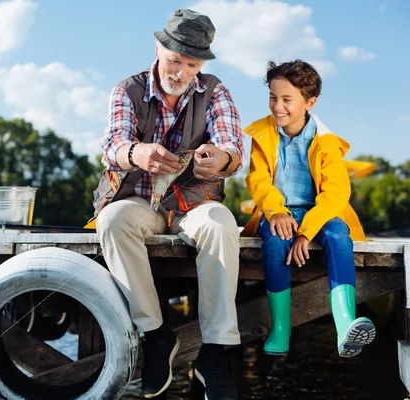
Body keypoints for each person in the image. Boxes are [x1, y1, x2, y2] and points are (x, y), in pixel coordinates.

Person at [91, 9, 245, 399]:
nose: (181, 72)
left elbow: (233, 149)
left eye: (191, 64)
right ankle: (156, 335)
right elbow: (111, 148)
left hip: (193, 205)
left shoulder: (215, 91)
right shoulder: (126, 90)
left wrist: (219, 160)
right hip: (138, 201)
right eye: (176, 60)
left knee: (221, 223)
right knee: (111, 220)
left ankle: (216, 351)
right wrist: (135, 153)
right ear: (158, 48)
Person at [241, 60, 376, 358]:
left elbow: (336, 194)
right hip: (278, 211)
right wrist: (276, 212)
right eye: (273, 98)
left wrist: (305, 233)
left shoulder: (326, 142)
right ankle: (281, 328)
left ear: (309, 102)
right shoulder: (263, 134)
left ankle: (345, 325)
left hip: (320, 214)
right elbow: (258, 179)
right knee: (275, 242)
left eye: (287, 100)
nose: (278, 106)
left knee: (340, 236)